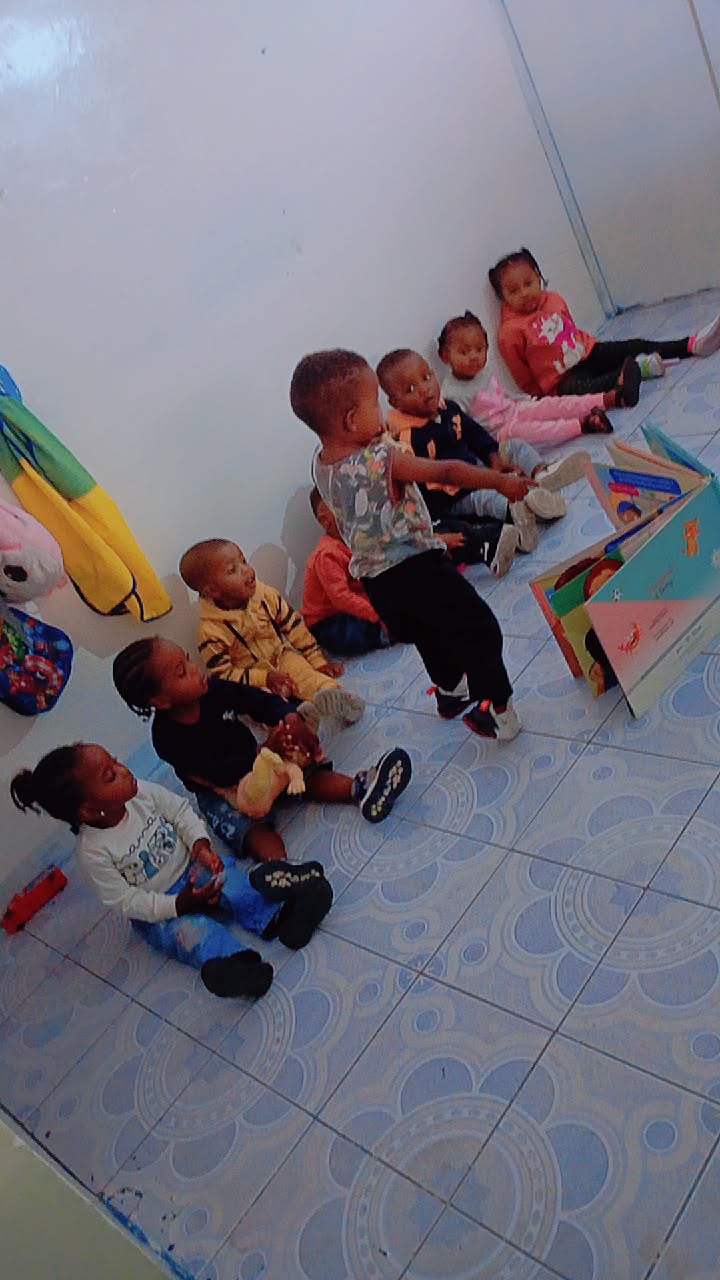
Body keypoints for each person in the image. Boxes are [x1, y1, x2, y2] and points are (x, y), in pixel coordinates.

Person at [290, 348, 523, 739]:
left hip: (379, 583)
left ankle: (450, 693)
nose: (382, 412)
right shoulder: (380, 461)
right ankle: (497, 710)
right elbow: (447, 471)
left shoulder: (321, 463)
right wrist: (500, 482)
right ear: (351, 420)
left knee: (430, 636)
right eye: (375, 404)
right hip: (418, 569)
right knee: (480, 628)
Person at [10, 744, 336, 998]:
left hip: (193, 868)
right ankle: (237, 968)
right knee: (193, 933)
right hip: (161, 905)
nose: (124, 771)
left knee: (233, 883)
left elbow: (180, 812)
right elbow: (124, 901)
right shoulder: (93, 852)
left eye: (116, 762)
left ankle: (286, 917)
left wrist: (200, 847)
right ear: (89, 810)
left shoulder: (142, 793)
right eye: (111, 776)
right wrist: (178, 905)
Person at [112, 637, 412, 859]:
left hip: (257, 758)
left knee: (303, 773)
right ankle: (280, 869)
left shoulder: (212, 689)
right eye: (182, 672)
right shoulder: (167, 739)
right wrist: (264, 753)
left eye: (189, 660)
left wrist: (288, 717)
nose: (195, 668)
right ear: (161, 701)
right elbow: (217, 772)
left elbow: (255, 700)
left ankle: (360, 789)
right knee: (250, 829)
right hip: (223, 789)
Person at [378, 347, 569, 556]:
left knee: (514, 446)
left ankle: (541, 474)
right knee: (487, 500)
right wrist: (490, 480)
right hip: (456, 494)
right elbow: (440, 481)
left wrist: (494, 460)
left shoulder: (448, 407)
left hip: (479, 468)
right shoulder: (409, 440)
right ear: (395, 403)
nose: (425, 389)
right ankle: (523, 508)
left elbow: (475, 433)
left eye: (426, 377)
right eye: (411, 389)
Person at [490, 247, 720, 401]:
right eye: (514, 291)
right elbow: (521, 373)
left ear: (538, 277)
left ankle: (690, 345)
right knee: (582, 389)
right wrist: (541, 398)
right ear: (503, 297)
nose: (524, 293)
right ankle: (634, 371)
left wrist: (588, 348)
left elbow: (570, 331)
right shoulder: (510, 331)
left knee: (632, 345)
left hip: (588, 352)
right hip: (561, 380)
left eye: (528, 283)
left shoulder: (553, 299)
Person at [179, 537, 364, 724]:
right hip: (252, 678)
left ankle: (338, 700)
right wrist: (265, 679)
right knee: (265, 705)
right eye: (232, 570)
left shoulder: (265, 595)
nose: (246, 570)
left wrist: (317, 661)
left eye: (243, 561)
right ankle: (300, 723)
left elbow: (294, 627)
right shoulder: (210, 633)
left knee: (307, 676)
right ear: (212, 591)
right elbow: (224, 676)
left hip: (281, 656)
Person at [438, 309, 614, 446]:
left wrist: (524, 400)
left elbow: (502, 395)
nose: (474, 357)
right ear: (445, 357)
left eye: (479, 349)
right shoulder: (451, 394)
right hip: (498, 432)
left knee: (548, 405)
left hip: (513, 409)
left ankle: (604, 399)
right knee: (535, 430)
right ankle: (583, 425)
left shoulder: (483, 372)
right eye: (464, 352)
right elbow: (465, 429)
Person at [303, 488, 392, 656]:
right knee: (358, 634)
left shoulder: (354, 542)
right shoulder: (327, 554)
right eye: (346, 508)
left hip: (352, 608)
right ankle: (386, 633)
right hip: (328, 621)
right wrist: (376, 614)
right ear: (326, 521)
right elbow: (340, 598)